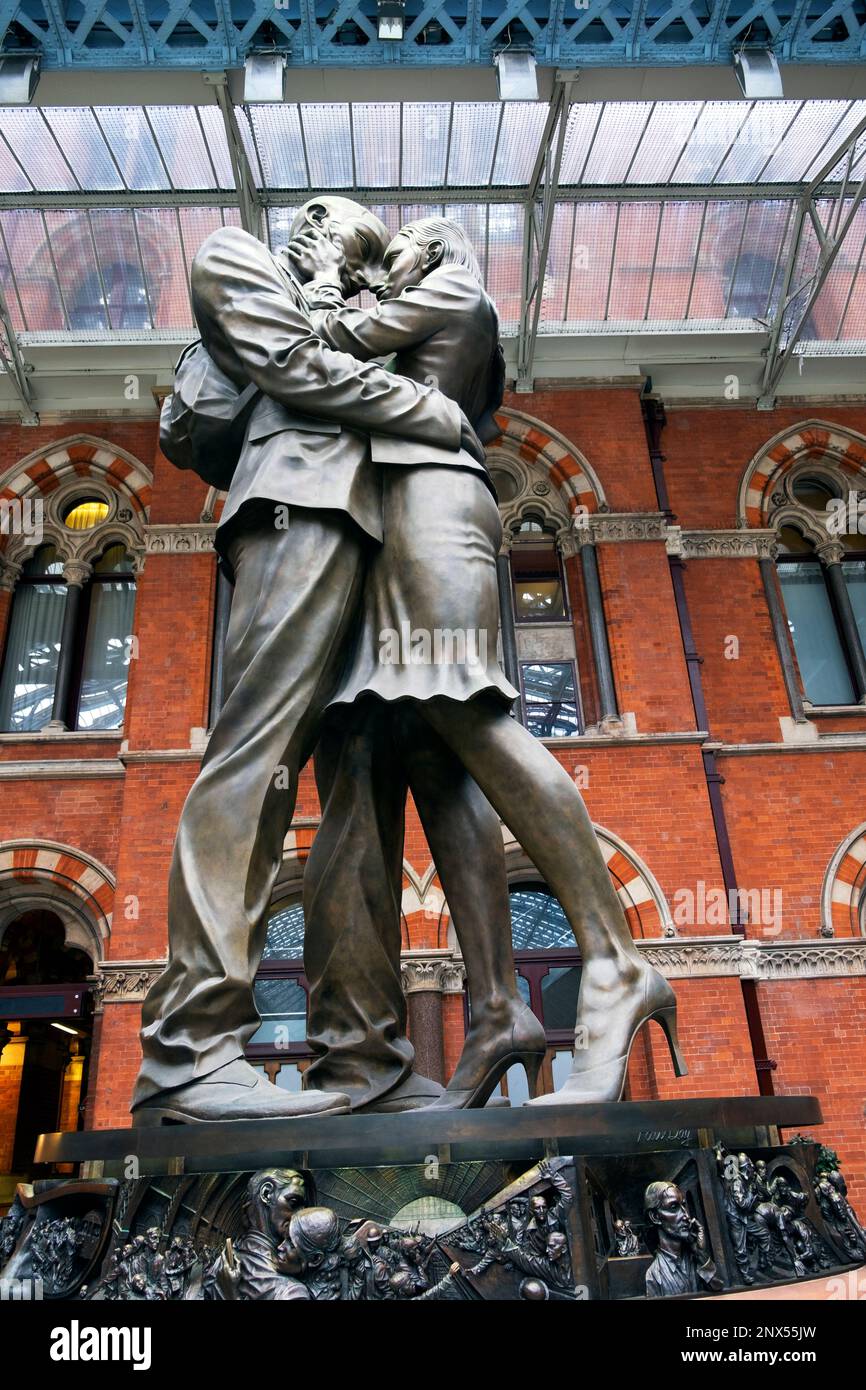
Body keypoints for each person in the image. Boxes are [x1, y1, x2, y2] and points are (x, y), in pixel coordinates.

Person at [291, 215, 684, 1107]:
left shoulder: (449, 288)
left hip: (432, 508)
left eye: (394, 257)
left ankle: (617, 963)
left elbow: (322, 350)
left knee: (469, 712)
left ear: (431, 249)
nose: (381, 271)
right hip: (403, 516)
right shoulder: (433, 310)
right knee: (436, 749)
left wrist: (324, 280)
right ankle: (499, 1008)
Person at [131, 197, 482, 1124]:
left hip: (378, 539)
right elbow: (259, 387)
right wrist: (425, 410)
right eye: (323, 221)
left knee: (364, 795)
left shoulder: (360, 315)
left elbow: (446, 349)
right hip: (294, 514)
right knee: (257, 756)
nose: (323, 235)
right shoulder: (236, 257)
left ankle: (360, 1060)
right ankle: (190, 1052)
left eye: (352, 241)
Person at [643, 1182, 720, 1299]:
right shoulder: (654, 1275)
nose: (686, 1216)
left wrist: (700, 1253)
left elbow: (717, 1287)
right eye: (674, 1207)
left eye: (684, 1206)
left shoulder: (694, 1259)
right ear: (655, 1217)